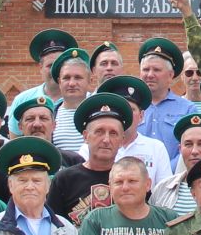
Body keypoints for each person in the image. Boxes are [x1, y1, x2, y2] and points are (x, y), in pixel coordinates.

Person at [50, 92, 132, 223]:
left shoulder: (130, 179)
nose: (106, 140)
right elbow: (54, 226)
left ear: (122, 140)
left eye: (113, 133)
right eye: (99, 132)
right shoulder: (64, 180)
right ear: (85, 136)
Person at [8, 29, 78, 134]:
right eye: (50, 66)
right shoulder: (22, 100)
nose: (55, 70)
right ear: (40, 67)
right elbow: (15, 143)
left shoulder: (82, 99)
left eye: (60, 65)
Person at [138, 37, 194, 160]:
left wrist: (166, 171)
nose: (150, 75)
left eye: (156, 70)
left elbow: (191, 149)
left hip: (173, 176)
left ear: (170, 75)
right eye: (146, 69)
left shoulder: (188, 110)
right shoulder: (131, 107)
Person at [48, 48, 91, 151]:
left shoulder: (101, 110)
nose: (71, 83)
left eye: (78, 77)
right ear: (59, 82)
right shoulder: (50, 115)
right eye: (66, 78)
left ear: (90, 80)